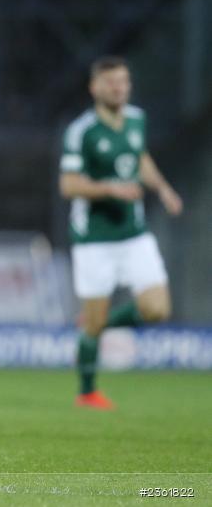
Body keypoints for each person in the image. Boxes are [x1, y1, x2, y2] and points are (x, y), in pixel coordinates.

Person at [59, 56, 181, 410]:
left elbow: (139, 158)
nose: (119, 88)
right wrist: (110, 189)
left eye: (124, 81)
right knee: (94, 321)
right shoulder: (82, 131)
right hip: (93, 238)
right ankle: (87, 392)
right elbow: (68, 185)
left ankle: (94, 327)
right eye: (111, 82)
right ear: (94, 87)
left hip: (133, 233)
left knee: (157, 309)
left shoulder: (137, 119)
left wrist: (163, 188)